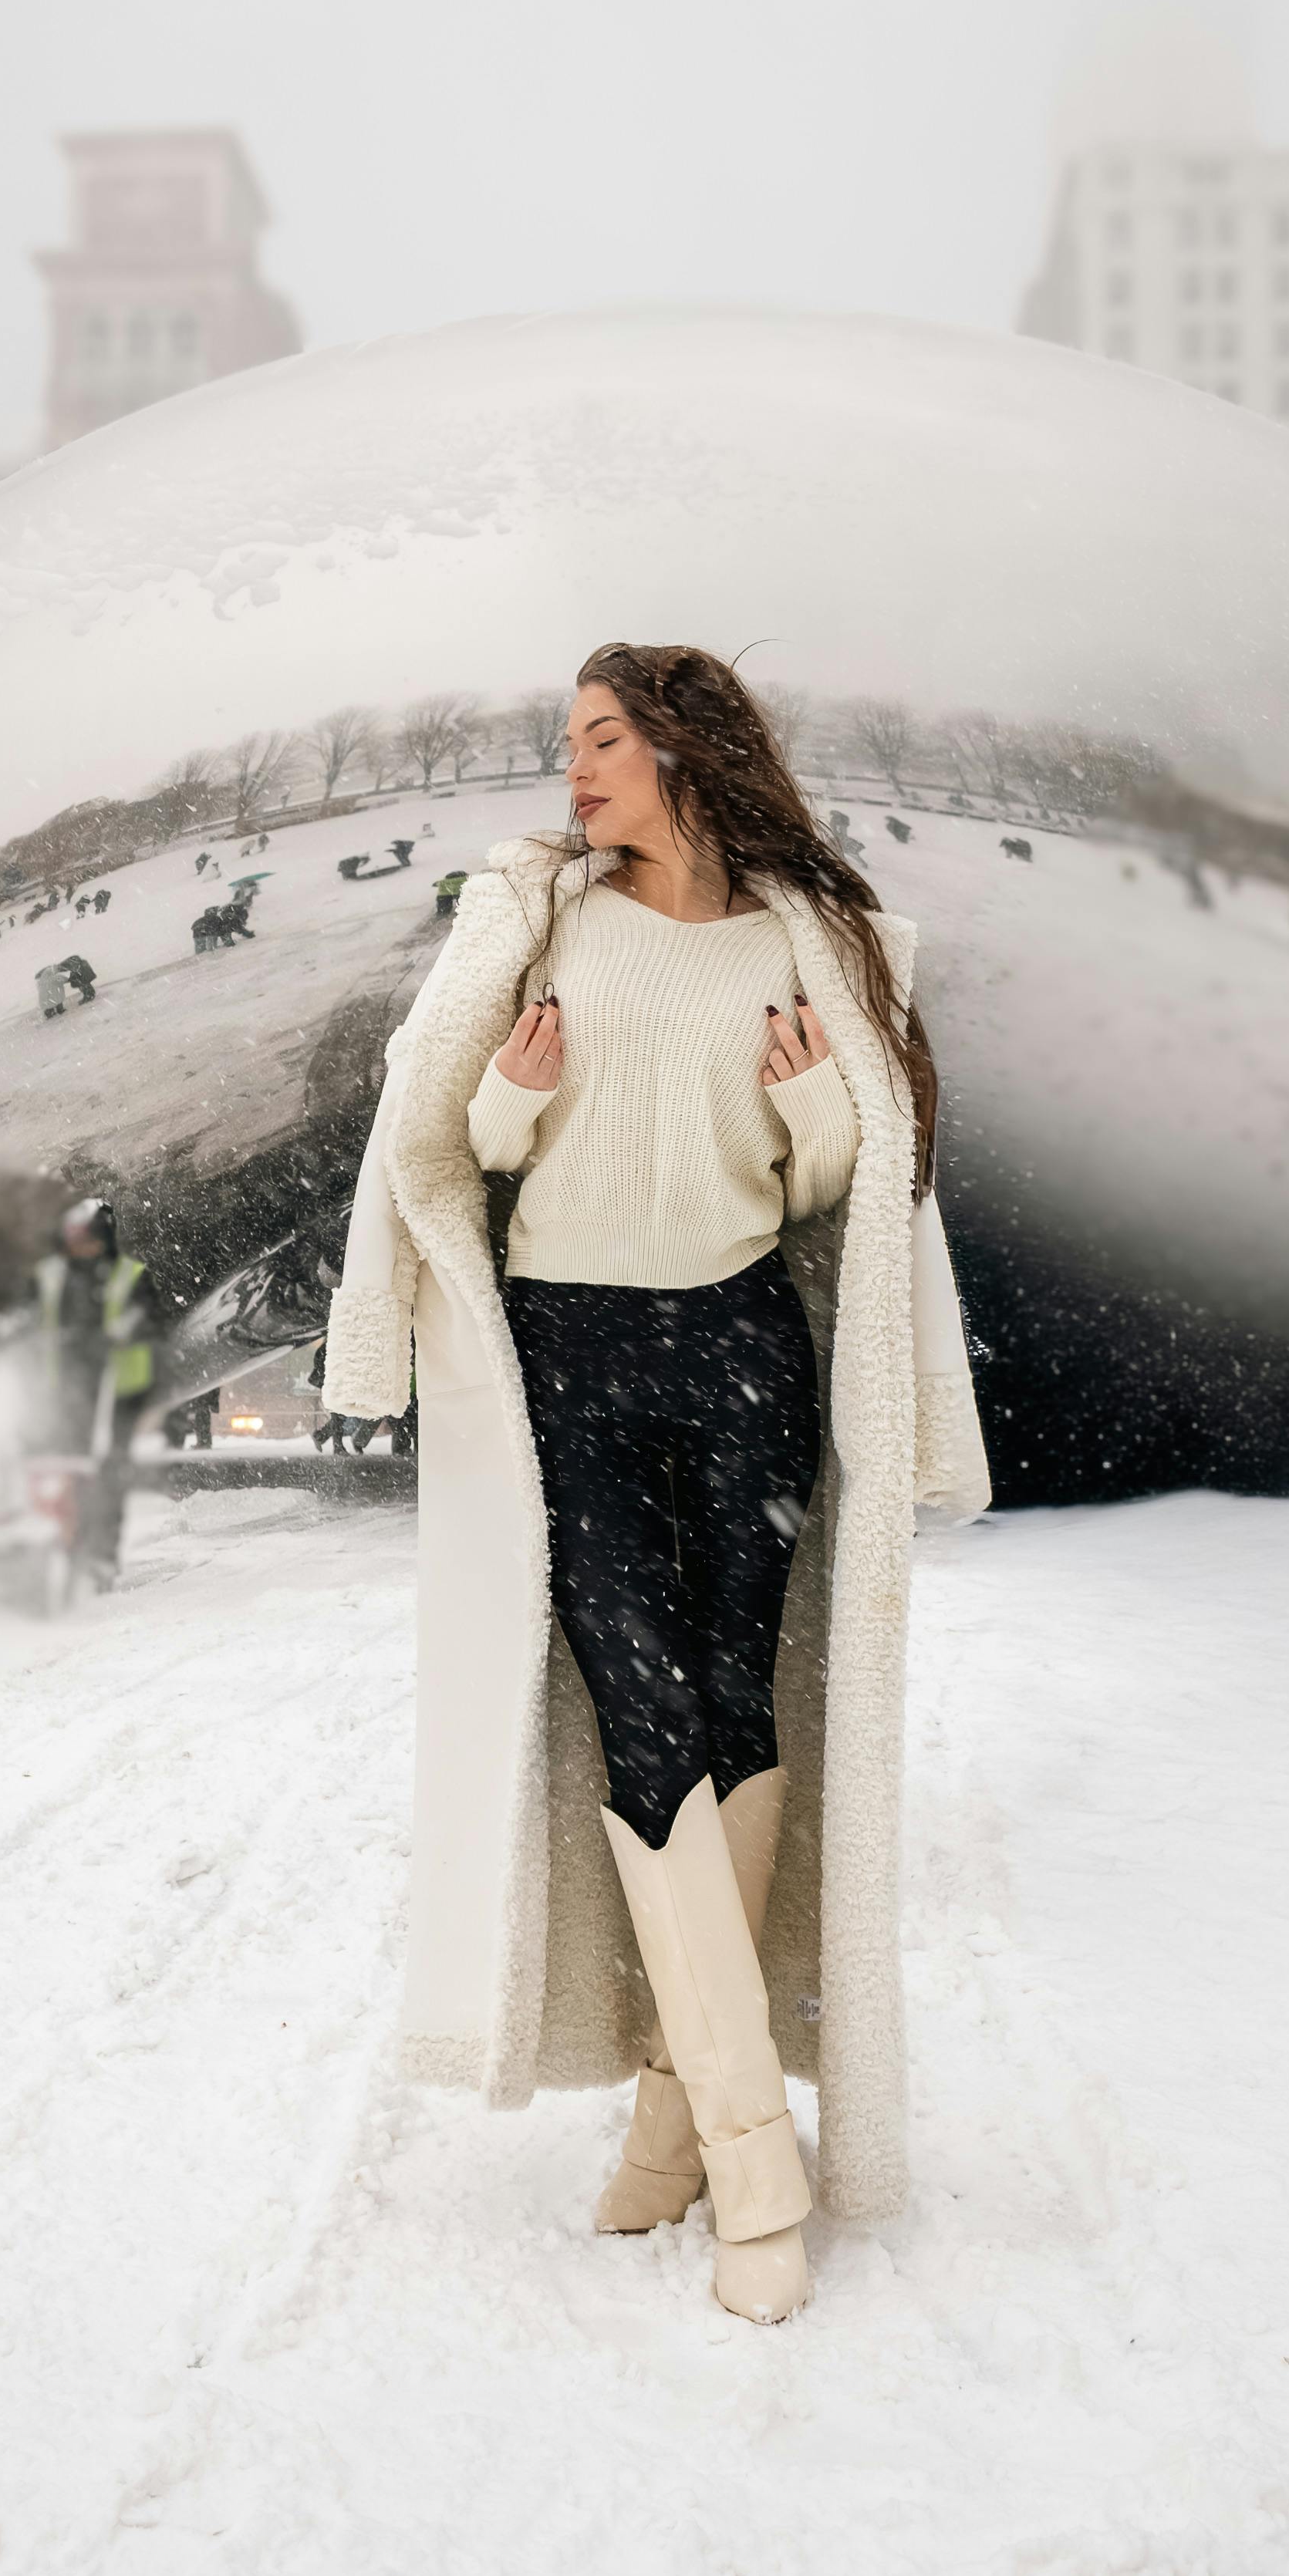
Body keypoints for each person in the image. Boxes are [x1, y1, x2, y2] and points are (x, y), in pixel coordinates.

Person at [325, 642, 990, 2325]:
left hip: (742, 1347)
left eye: (602, 740)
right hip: (574, 1358)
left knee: (732, 1705)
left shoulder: (800, 944)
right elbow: (446, 1143)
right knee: (638, 1713)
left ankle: (673, 2116)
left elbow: (842, 1182)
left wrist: (819, 1107)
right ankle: (755, 2147)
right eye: (569, 743)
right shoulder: (543, 919)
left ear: (684, 753)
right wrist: (510, 1092)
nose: (576, 771)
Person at [29, 1194, 158, 1585]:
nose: (82, 1248)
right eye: (75, 1240)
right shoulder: (51, 1275)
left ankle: (100, 1556)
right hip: (68, 1389)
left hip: (117, 1393)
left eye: (89, 1241)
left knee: (107, 1475)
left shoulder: (130, 1276)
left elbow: (145, 1316)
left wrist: (121, 1332)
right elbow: (31, 1316)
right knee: (65, 1471)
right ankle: (67, 1547)